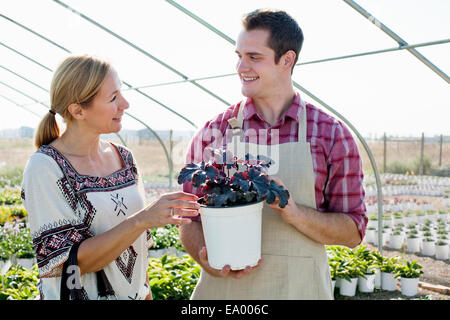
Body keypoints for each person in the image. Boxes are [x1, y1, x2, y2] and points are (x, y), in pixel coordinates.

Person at [180, 9, 367, 300]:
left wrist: (294, 213)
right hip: (226, 293)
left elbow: (353, 230)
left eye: (254, 57)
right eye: (239, 55)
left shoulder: (331, 134)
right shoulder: (213, 132)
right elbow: (189, 221)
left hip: (301, 290)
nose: (241, 66)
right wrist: (206, 259)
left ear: (287, 60)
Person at [21, 54, 200, 300]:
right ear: (78, 110)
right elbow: (68, 264)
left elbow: (138, 256)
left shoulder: (124, 158)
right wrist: (141, 220)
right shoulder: (45, 168)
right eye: (113, 97)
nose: (125, 104)